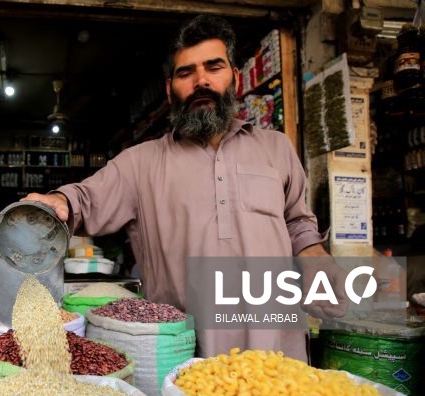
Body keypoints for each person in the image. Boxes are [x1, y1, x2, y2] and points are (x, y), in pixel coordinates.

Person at [23, 14, 346, 360]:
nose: (201, 81)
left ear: (235, 78)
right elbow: (85, 198)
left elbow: (298, 222)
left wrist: (312, 254)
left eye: (213, 67)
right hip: (186, 360)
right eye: (185, 72)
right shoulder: (141, 163)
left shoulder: (276, 148)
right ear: (169, 89)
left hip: (278, 355)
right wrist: (60, 200)